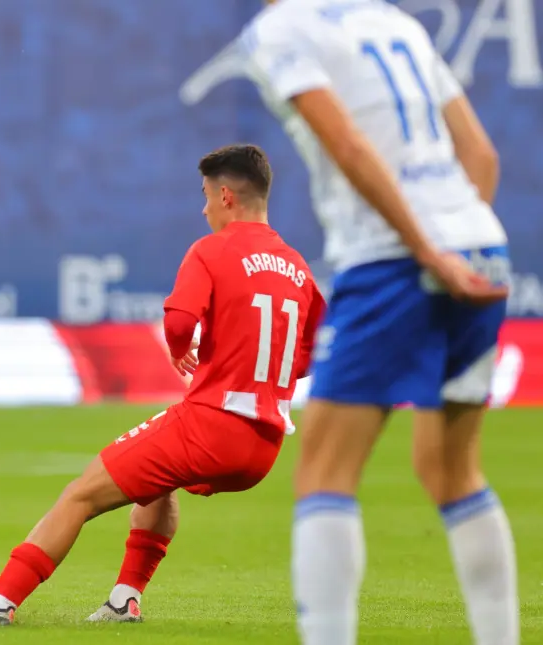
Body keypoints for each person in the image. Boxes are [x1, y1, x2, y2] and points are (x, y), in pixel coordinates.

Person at [0, 144, 326, 626]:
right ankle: (124, 600)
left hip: (212, 424)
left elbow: (179, 320)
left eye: (204, 197)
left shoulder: (212, 249)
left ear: (225, 196)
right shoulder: (298, 267)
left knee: (81, 494)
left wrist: (182, 350)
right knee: (158, 486)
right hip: (262, 447)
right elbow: (312, 348)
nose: (202, 209)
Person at [239, 2, 516, 644]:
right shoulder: (395, 21)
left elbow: (348, 144)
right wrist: (456, 240)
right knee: (452, 471)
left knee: (324, 471)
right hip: (481, 242)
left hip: (392, 256)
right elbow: (481, 153)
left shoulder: (280, 29)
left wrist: (424, 249)